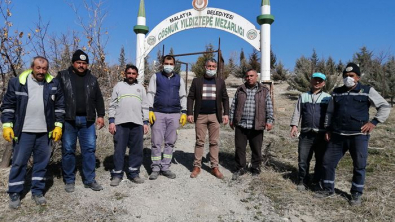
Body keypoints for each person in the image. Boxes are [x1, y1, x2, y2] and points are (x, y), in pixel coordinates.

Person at [316, 63, 391, 206]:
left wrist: (374, 122)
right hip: (337, 135)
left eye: (351, 76)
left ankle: (356, 193)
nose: (348, 78)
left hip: (358, 136)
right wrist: (328, 129)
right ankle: (327, 188)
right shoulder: (337, 92)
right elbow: (330, 112)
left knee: (359, 165)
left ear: (358, 77)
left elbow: (385, 106)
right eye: (345, 76)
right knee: (327, 162)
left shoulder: (367, 90)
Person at [1, 56, 65, 209]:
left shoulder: (54, 84)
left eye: (44, 68)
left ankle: (37, 191)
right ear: (32, 67)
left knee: (41, 164)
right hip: (23, 131)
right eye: (38, 68)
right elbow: (8, 105)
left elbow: (60, 107)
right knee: (19, 163)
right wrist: (7, 125)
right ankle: (15, 192)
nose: (41, 71)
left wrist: (58, 126)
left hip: (45, 132)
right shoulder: (17, 83)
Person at [57, 49, 105, 192]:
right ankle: (69, 180)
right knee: (68, 150)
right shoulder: (62, 76)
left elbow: (99, 99)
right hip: (68, 120)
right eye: (78, 62)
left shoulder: (92, 79)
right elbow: (54, 95)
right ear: (73, 63)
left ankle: (90, 179)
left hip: (88, 120)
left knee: (89, 150)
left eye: (84, 63)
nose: (81, 65)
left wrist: (101, 115)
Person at [187, 58, 229, 179]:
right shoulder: (197, 81)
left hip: (215, 116)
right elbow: (190, 97)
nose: (211, 68)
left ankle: (214, 167)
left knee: (214, 142)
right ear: (205, 67)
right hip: (200, 116)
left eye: (213, 67)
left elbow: (225, 98)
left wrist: (226, 113)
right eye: (209, 66)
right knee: (200, 141)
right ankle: (197, 166)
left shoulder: (220, 82)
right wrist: (190, 112)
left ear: (216, 68)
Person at [147, 54, 187, 180]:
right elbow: (151, 93)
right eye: (166, 63)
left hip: (174, 114)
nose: (168, 66)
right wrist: (150, 110)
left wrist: (184, 111)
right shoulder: (156, 77)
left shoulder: (179, 79)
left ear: (174, 65)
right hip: (158, 113)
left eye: (171, 64)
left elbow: (183, 96)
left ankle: (165, 167)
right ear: (162, 64)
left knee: (170, 142)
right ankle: (155, 168)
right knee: (156, 142)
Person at [229, 69, 274, 180]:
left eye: (251, 76)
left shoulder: (264, 90)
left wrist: (270, 120)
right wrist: (231, 119)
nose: (249, 78)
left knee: (256, 148)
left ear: (256, 77)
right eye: (247, 76)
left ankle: (255, 168)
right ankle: (240, 168)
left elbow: (269, 107)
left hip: (257, 125)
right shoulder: (240, 89)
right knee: (240, 148)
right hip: (241, 124)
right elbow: (234, 105)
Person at [108, 65, 149, 186]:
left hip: (137, 123)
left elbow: (145, 106)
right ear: (125, 74)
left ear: (137, 75)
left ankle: (134, 173)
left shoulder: (140, 88)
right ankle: (117, 174)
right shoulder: (118, 86)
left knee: (136, 150)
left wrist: (145, 122)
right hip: (121, 123)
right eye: (129, 73)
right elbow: (112, 105)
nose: (131, 75)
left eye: (133, 73)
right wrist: (111, 121)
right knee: (119, 150)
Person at [290, 72, 331, 191]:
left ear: (323, 83)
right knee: (303, 159)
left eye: (320, 81)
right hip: (306, 134)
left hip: (322, 134)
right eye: (315, 80)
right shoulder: (303, 96)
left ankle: (317, 181)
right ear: (311, 81)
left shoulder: (328, 97)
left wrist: (329, 130)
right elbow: (297, 112)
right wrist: (294, 125)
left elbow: (330, 114)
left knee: (320, 160)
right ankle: (303, 180)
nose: (317, 82)